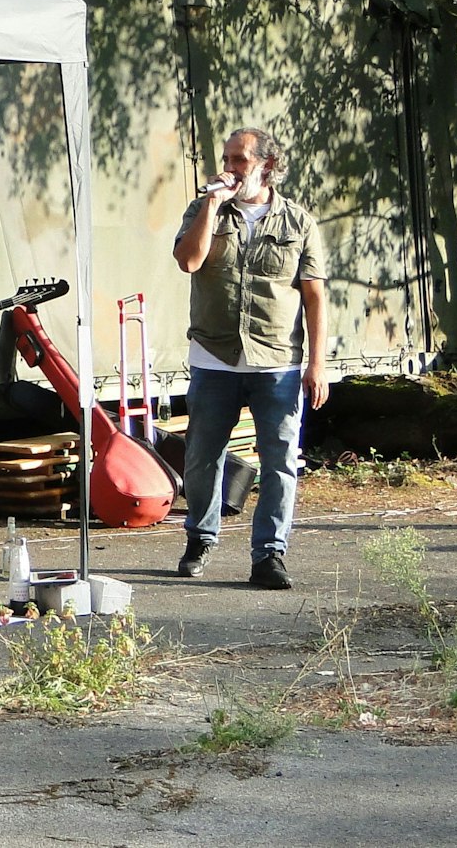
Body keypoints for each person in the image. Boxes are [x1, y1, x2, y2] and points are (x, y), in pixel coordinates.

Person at [171, 127, 328, 590]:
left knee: (280, 461)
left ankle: (269, 555)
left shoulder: (298, 222)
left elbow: (315, 298)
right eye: (226, 159)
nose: (230, 168)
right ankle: (200, 538)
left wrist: (317, 365)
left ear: (267, 165)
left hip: (277, 361)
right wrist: (211, 205)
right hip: (214, 357)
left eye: (239, 159)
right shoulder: (204, 210)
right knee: (202, 457)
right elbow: (189, 261)